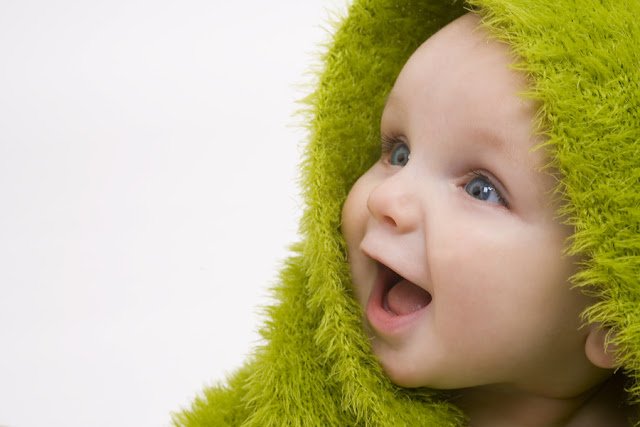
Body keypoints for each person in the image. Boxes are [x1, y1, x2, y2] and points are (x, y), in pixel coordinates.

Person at [173, 1, 640, 425]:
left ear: (614, 312)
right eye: (398, 153)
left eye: (481, 189)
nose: (387, 199)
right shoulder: (286, 398)